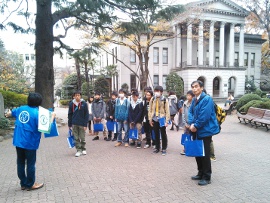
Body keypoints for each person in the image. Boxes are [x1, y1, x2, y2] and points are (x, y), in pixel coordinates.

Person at [5, 93, 50, 190]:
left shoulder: (21, 109)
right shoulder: (38, 113)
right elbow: (45, 127)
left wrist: (8, 113)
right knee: (30, 163)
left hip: (18, 141)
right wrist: (53, 116)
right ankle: (30, 184)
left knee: (20, 162)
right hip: (30, 142)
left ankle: (23, 183)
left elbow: (11, 113)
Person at [187, 80, 219, 186]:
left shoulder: (207, 99)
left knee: (205, 155)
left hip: (205, 131)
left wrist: (195, 126)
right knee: (198, 153)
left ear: (201, 88)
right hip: (196, 129)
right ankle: (200, 173)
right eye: (193, 87)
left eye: (196, 86)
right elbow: (190, 112)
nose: (194, 89)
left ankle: (206, 176)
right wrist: (192, 123)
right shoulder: (194, 100)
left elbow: (204, 116)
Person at [148, 85, 170, 155]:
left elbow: (167, 111)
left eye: (158, 91)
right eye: (155, 91)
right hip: (154, 119)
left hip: (162, 119)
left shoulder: (164, 100)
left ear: (161, 92)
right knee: (156, 134)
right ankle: (157, 147)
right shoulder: (152, 99)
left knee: (163, 134)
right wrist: (150, 119)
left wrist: (167, 121)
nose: (156, 92)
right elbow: (150, 110)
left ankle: (164, 148)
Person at [68, 91, 89, 157]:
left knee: (82, 137)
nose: (77, 96)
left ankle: (83, 149)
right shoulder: (71, 104)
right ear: (74, 96)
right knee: (76, 138)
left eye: (78, 95)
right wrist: (69, 124)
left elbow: (86, 114)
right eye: (76, 95)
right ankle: (78, 150)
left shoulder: (84, 104)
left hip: (82, 123)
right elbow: (70, 114)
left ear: (80, 96)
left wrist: (85, 124)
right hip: (74, 123)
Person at [180, 90, 194, 155]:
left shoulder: (194, 103)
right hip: (186, 124)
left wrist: (191, 124)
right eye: (187, 95)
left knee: (192, 136)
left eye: (189, 95)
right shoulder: (185, 103)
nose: (188, 97)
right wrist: (185, 123)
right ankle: (185, 149)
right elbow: (183, 114)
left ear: (192, 96)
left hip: (192, 124)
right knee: (186, 136)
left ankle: (192, 149)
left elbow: (194, 115)